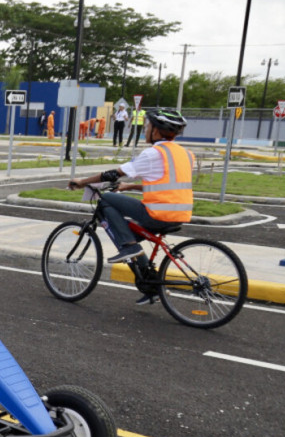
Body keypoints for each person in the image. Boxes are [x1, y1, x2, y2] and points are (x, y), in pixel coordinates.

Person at [68, 108, 195, 302]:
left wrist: (82, 182)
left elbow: (113, 174)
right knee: (125, 230)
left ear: (156, 130)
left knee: (108, 199)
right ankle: (149, 284)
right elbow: (164, 184)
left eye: (147, 126)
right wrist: (131, 186)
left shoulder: (154, 153)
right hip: (181, 213)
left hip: (157, 213)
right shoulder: (186, 154)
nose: (145, 129)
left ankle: (128, 246)